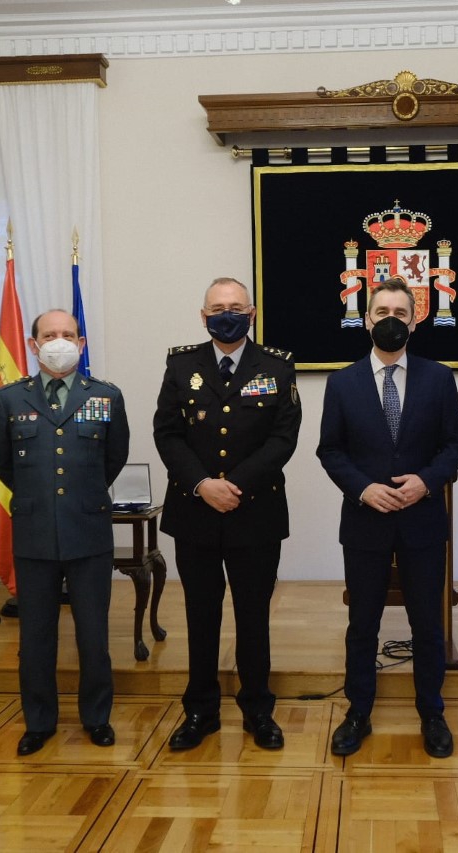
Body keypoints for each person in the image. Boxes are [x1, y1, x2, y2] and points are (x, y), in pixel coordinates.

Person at [316, 276, 458, 758]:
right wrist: (363, 488)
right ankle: (358, 712)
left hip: (423, 520)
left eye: (400, 313)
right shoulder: (342, 383)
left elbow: (456, 445)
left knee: (428, 624)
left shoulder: (439, 378)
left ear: (414, 322)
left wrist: (427, 481)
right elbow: (330, 450)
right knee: (363, 624)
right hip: (366, 522)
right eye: (382, 312)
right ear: (367, 320)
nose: (391, 321)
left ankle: (432, 712)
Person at [154, 277, 301, 751]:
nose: (227, 314)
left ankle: (258, 710)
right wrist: (203, 484)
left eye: (236, 306)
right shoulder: (181, 364)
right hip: (194, 511)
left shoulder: (277, 365)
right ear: (203, 316)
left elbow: (283, 437)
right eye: (217, 308)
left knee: (253, 616)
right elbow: (167, 433)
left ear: (252, 313)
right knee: (200, 615)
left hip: (254, 511)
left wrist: (234, 486)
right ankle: (200, 711)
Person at [0, 308, 129, 756]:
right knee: (35, 636)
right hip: (33, 533)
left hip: (88, 530)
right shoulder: (11, 399)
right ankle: (39, 721)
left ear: (81, 344)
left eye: (68, 334)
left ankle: (97, 717)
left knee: (93, 634)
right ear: (33, 345)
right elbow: (1, 461)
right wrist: (39, 497)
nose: (60, 341)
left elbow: (114, 457)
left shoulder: (105, 395)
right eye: (50, 335)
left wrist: (78, 496)